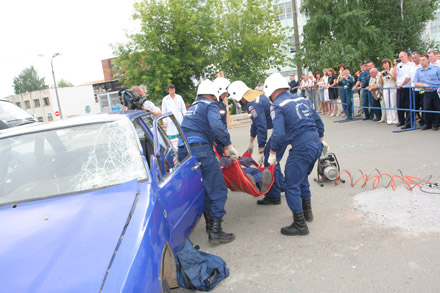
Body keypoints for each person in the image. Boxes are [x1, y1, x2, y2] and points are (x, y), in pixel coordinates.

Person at [263, 72, 326, 236]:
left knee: (291, 184)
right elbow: (318, 120)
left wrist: (272, 153)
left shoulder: (277, 105)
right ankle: (307, 212)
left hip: (302, 148)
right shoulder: (301, 99)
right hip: (315, 144)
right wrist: (321, 138)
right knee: (302, 177)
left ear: (271, 90)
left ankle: (300, 224)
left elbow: (278, 134)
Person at [177, 79, 239, 244]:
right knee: (218, 189)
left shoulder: (193, 108)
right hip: (200, 150)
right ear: (213, 94)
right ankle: (216, 231)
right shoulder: (210, 104)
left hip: (184, 151)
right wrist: (228, 144)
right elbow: (217, 127)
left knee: (203, 187)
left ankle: (210, 225)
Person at [227, 80, 286, 205]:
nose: (236, 101)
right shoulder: (254, 97)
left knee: (269, 160)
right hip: (280, 128)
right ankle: (281, 185)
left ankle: (274, 195)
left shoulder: (252, 104)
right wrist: (251, 141)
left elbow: (262, 126)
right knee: (274, 160)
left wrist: (261, 149)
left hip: (278, 130)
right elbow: (255, 123)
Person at [413, 54, 440, 131]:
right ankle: (427, 124)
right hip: (426, 91)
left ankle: (436, 124)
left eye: (423, 60)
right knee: (426, 107)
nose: (421, 62)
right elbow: (415, 83)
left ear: (428, 60)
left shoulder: (436, 69)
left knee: (437, 107)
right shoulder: (418, 71)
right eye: (420, 60)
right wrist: (424, 85)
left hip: (436, 90)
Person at [392, 51, 413, 129]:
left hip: (408, 86)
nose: (401, 58)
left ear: (406, 56)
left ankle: (408, 121)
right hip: (400, 87)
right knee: (400, 104)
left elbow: (409, 76)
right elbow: (393, 76)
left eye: (402, 57)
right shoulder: (398, 65)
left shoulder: (411, 65)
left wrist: (402, 84)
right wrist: (395, 65)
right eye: (400, 57)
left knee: (408, 104)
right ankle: (401, 120)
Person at [213, 77, 231, 155]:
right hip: (214, 139)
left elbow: (224, 124)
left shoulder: (222, 105)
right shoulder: (212, 105)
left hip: (221, 138)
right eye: (224, 93)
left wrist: (225, 142)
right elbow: (217, 125)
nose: (225, 95)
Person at [380, 58, 398, 125]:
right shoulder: (382, 72)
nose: (385, 65)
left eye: (386, 63)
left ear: (389, 63)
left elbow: (395, 78)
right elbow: (381, 83)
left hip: (392, 86)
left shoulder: (392, 70)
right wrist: (380, 76)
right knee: (387, 103)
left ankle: (395, 119)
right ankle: (389, 119)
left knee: (393, 103)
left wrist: (389, 73)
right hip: (386, 87)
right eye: (383, 64)